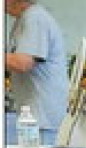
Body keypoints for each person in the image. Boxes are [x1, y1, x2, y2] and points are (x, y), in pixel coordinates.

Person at [6, 0, 69, 133]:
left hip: (42, 119)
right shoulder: (23, 19)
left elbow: (23, 63)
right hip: (34, 117)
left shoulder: (35, 18)